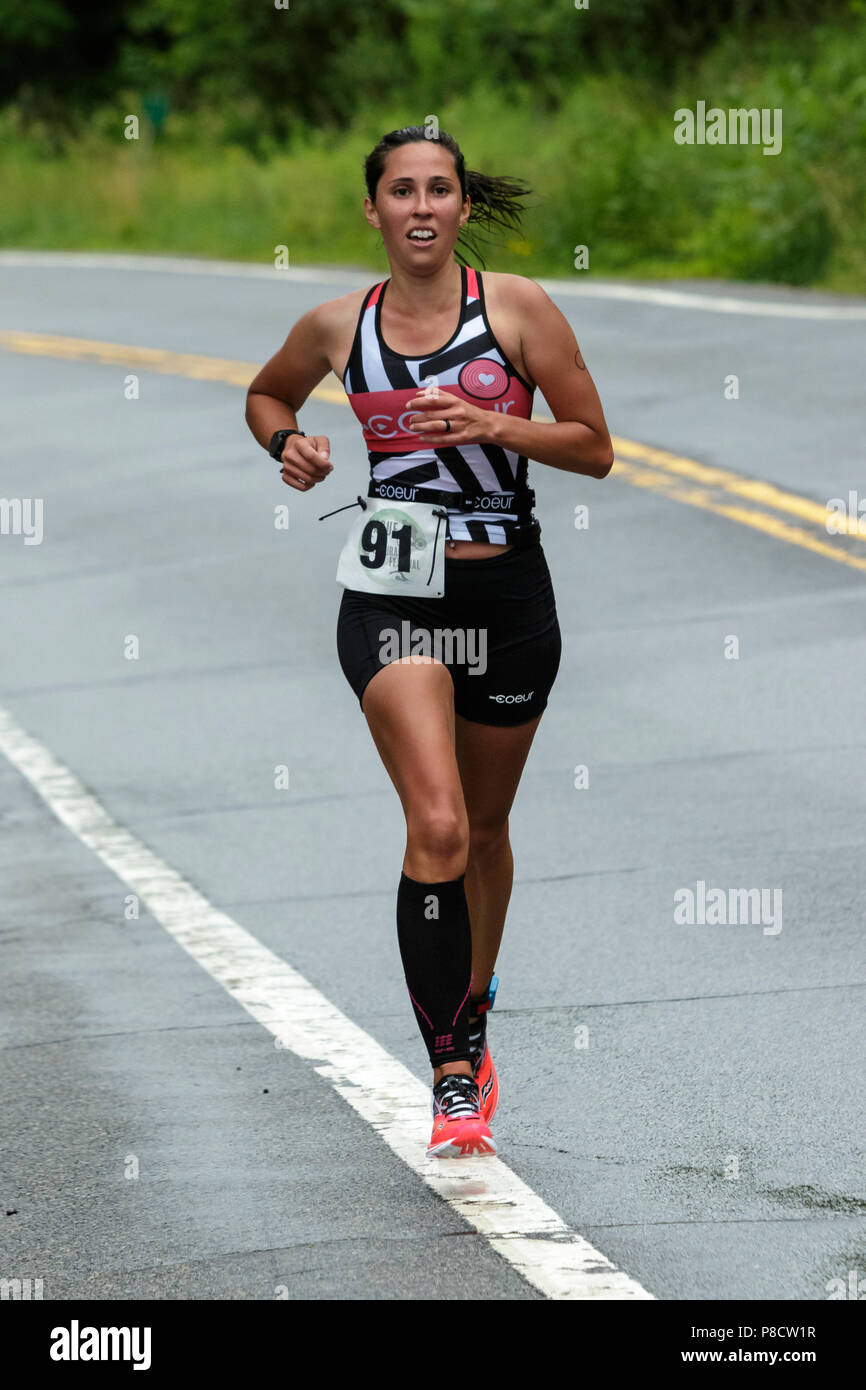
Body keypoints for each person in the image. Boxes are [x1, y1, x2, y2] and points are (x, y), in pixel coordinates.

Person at [245, 127, 613, 1159]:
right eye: (399, 190)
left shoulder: (519, 310)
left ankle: (474, 1010)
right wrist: (293, 443)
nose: (419, 205)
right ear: (371, 212)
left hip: (507, 598)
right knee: (439, 824)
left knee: (487, 830)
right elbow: (265, 392)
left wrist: (494, 428)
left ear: (458, 208)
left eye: (437, 190)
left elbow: (594, 447)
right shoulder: (333, 325)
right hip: (393, 594)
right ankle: (450, 1071)